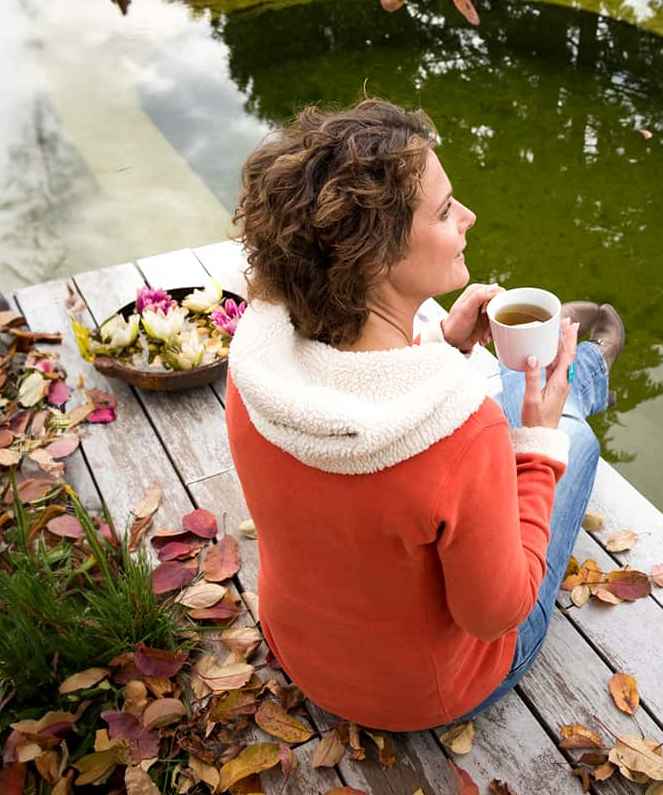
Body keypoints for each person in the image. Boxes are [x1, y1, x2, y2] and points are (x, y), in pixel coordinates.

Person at [224, 98, 625, 731]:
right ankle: (582, 378)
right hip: (425, 694)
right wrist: (537, 442)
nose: (468, 216)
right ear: (373, 257)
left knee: (502, 390)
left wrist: (443, 343)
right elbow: (497, 614)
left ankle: (571, 376)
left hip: (301, 653)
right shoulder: (465, 436)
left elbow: (351, 396)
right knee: (573, 438)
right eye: (444, 211)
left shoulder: (254, 365)